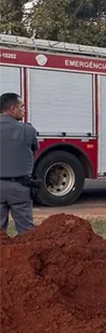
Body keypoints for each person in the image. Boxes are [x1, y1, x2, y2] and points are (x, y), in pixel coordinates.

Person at [0, 93, 39, 235]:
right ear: (12, 109)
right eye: (22, 106)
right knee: (26, 232)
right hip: (19, 187)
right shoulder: (27, 130)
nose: (24, 110)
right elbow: (35, 148)